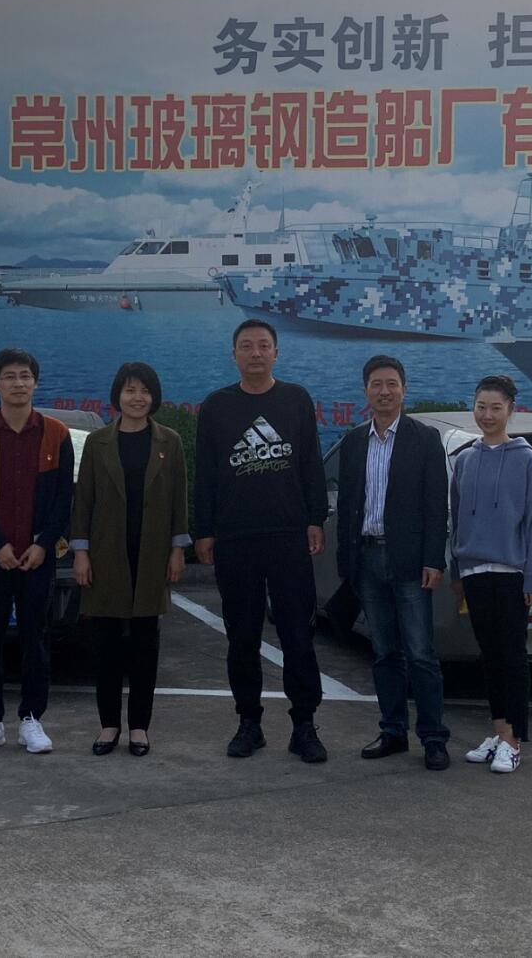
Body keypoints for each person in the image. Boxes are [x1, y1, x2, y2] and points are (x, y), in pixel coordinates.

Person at [194, 319, 331, 763]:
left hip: (289, 536)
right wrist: (204, 530)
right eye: (247, 346)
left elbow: (310, 462)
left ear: (276, 352)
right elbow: (206, 473)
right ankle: (248, 723)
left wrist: (315, 518)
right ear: (233, 354)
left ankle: (304, 725)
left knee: (297, 635)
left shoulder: (295, 399)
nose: (256, 353)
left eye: (264, 346)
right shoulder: (217, 406)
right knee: (242, 637)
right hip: (236, 538)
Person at [0, 348, 75, 756]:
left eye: (25, 376)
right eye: (9, 376)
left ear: (35, 383)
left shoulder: (56, 434)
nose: (18, 383)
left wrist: (43, 544)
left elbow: (63, 500)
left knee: (35, 639)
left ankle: (31, 719)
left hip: (37, 557)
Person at [334, 355, 451, 770]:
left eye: (392, 384)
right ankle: (393, 731)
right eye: (376, 385)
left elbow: (436, 505)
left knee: (420, 654)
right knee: (383, 652)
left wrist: (433, 559)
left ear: (404, 389)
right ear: (365, 391)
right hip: (367, 558)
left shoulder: (425, 439)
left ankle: (433, 738)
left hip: (410, 561)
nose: (384, 392)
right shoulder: (353, 442)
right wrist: (346, 562)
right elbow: (347, 505)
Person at [71, 362, 189, 757]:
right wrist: (81, 553)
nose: (137, 398)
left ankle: (139, 727)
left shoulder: (170, 442)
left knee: (145, 644)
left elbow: (179, 500)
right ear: (117, 396)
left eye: (144, 390)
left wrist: (177, 549)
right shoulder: (98, 442)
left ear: (154, 397)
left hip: (152, 554)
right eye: (129, 390)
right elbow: (83, 500)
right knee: (106, 644)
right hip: (106, 554)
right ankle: (109, 725)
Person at [449, 374, 532, 774]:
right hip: (474, 572)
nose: (487, 415)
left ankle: (513, 741)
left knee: (512, 657)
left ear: (511, 410)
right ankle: (498, 731)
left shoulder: (525, 459)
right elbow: (455, 521)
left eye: (496, 408)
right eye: (481, 406)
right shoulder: (465, 459)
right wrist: (456, 570)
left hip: (511, 574)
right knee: (489, 656)